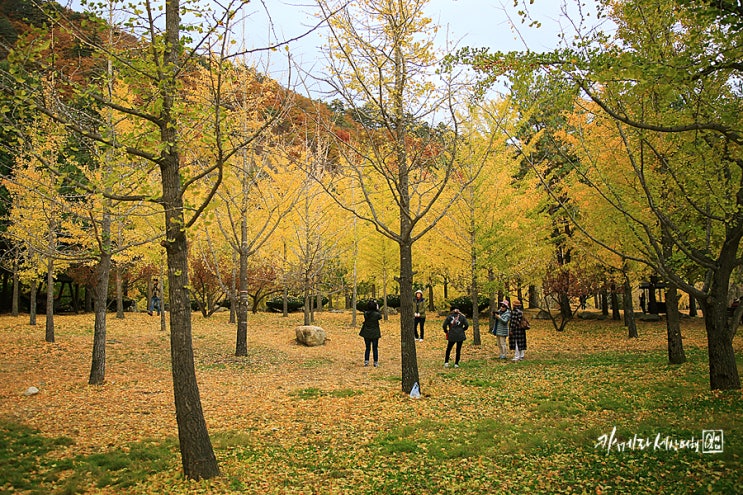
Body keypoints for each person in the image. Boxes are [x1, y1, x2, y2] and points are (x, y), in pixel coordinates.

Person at [359, 300, 382, 367]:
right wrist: (378, 309)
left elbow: (366, 311)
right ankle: (375, 362)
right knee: (375, 348)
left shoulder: (366, 313)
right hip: (375, 332)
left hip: (366, 332)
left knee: (367, 347)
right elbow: (380, 316)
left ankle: (366, 361)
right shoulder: (377, 314)